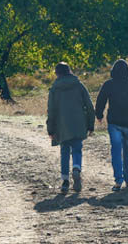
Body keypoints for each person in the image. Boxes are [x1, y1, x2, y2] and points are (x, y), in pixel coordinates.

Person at [95, 59, 128, 192]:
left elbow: (101, 99)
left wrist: (99, 115)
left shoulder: (109, 84)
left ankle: (118, 181)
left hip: (114, 122)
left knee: (116, 150)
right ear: (127, 72)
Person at [47, 62, 95, 194]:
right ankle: (76, 168)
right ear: (70, 71)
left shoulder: (54, 89)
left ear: (57, 73)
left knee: (64, 152)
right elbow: (89, 106)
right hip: (79, 124)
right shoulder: (79, 86)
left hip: (61, 126)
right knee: (77, 150)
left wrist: (50, 129)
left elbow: (51, 110)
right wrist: (90, 124)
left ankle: (65, 182)